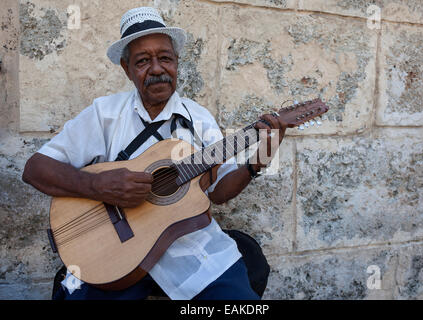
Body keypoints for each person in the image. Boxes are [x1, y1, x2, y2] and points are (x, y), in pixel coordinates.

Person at [22, 7, 287, 300]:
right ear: (126, 68)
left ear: (176, 63)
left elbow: (220, 192)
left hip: (193, 250)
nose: (157, 69)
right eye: (143, 61)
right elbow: (35, 168)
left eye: (164, 58)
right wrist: (97, 186)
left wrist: (257, 162)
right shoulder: (104, 114)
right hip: (115, 255)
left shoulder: (199, 120)